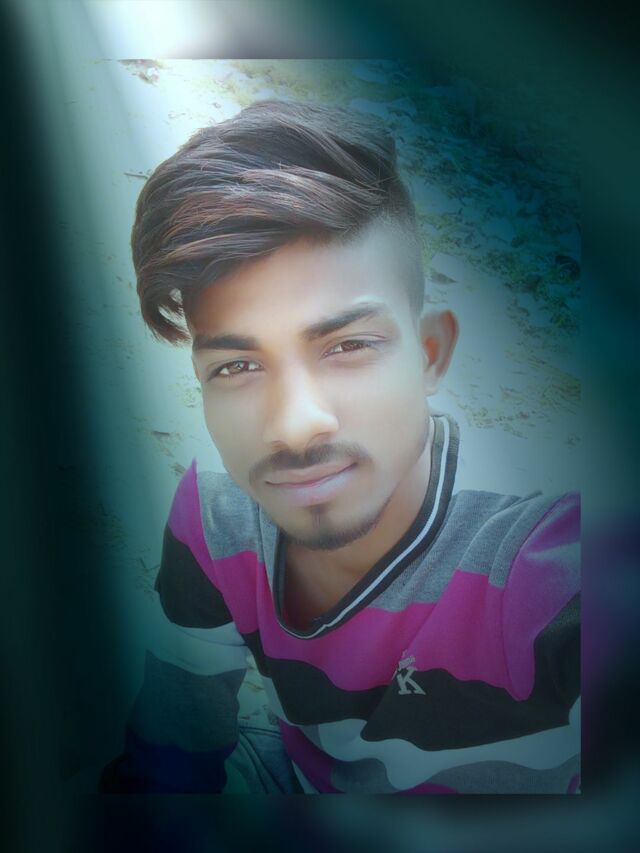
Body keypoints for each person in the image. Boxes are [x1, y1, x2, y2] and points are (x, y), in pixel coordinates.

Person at [101, 100, 580, 794]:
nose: (296, 425)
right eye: (237, 365)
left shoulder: (546, 560)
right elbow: (171, 761)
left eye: (348, 346)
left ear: (430, 354)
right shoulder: (215, 516)